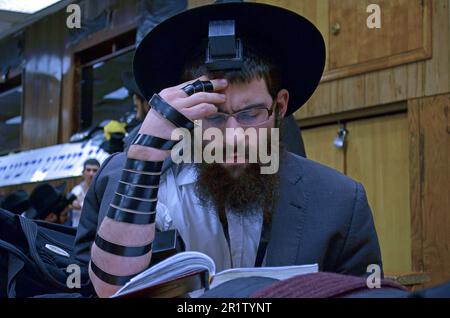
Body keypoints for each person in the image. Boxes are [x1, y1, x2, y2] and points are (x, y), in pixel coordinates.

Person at [75, 2, 382, 297]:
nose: (233, 136)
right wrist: (144, 157)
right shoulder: (119, 180)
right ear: (187, 114)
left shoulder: (340, 202)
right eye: (214, 116)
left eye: (250, 114)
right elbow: (109, 292)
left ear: (280, 105)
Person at [70, 159, 100, 227]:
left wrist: (80, 205)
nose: (91, 173)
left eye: (95, 170)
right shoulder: (76, 190)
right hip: (76, 230)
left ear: (99, 173)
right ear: (83, 172)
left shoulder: (102, 192)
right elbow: (69, 206)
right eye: (88, 170)